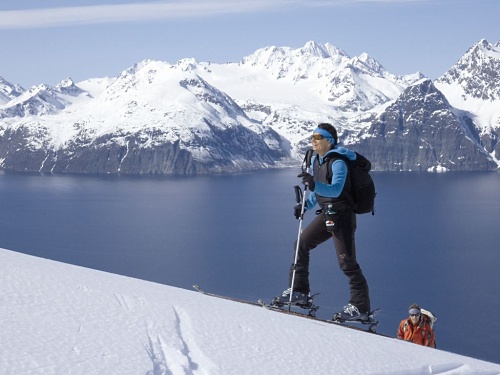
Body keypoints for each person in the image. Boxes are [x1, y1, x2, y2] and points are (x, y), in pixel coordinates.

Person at [274, 122, 371, 321]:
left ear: (329, 141)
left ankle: (360, 307)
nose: (313, 140)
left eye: (318, 137)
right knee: (301, 243)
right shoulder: (316, 161)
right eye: (312, 137)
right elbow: (318, 193)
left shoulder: (338, 162)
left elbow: (335, 190)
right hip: (327, 214)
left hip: (342, 217)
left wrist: (314, 183)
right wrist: (304, 206)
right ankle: (299, 291)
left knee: (347, 263)